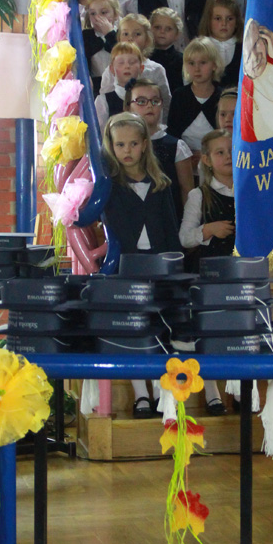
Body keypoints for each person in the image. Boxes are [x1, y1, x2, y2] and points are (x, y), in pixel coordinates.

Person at [102, 112, 181, 419]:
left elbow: (171, 230)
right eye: (120, 144)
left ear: (145, 144)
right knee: (132, 330)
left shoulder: (161, 184)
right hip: (126, 267)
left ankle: (162, 393)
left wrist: (174, 267)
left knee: (159, 326)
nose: (127, 150)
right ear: (111, 146)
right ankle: (141, 395)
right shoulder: (109, 186)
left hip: (159, 266)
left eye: (133, 144)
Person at [179, 129, 235, 415]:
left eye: (231, 150)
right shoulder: (199, 195)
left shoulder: (250, 191)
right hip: (208, 276)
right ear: (207, 160)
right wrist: (208, 230)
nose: (228, 156)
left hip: (239, 276)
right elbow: (184, 237)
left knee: (238, 333)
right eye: (220, 152)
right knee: (209, 334)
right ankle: (212, 394)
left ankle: (241, 390)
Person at [124, 78, 193, 216]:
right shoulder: (121, 146)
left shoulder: (176, 146)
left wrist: (187, 225)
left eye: (155, 101)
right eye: (141, 101)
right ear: (128, 107)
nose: (149, 106)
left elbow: (187, 191)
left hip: (169, 218)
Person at [166, 37, 223, 169]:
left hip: (216, 161)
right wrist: (186, 154)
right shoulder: (180, 96)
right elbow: (173, 133)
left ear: (214, 65)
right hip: (184, 160)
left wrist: (207, 155)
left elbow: (227, 134)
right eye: (191, 63)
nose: (197, 69)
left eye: (203, 63)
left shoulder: (222, 97)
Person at [98, 14, 170, 114]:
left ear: (147, 39)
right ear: (119, 38)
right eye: (125, 34)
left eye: (137, 34)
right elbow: (104, 103)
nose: (130, 38)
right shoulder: (111, 71)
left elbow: (165, 103)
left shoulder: (156, 69)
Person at [94, 42, 144, 129]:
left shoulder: (148, 98)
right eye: (121, 62)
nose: (127, 66)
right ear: (112, 69)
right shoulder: (103, 101)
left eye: (132, 62)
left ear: (141, 68)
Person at [198, 0, 243, 86]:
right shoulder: (199, 48)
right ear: (208, 20)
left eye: (229, 19)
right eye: (218, 18)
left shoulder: (245, 49)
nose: (224, 24)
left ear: (237, 22)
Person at [83, 0, 120, 90]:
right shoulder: (86, 36)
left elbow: (122, 53)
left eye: (103, 12)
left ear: (116, 14)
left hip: (119, 86)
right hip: (96, 87)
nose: (97, 17)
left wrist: (109, 34)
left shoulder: (122, 34)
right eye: (93, 13)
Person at [149, 8, 186, 93]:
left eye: (168, 29)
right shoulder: (143, 58)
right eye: (157, 27)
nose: (162, 32)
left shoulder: (183, 60)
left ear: (177, 34)